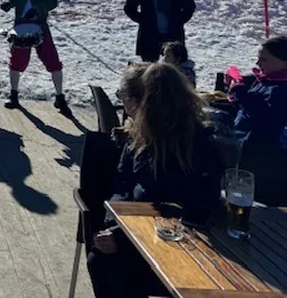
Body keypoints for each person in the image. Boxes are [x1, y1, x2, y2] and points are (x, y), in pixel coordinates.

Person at [87, 62, 223, 298]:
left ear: (145, 102)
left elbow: (179, 203)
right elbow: (122, 185)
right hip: (140, 234)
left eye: (124, 96)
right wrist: (113, 228)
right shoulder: (137, 138)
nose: (123, 102)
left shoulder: (197, 143)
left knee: (117, 270)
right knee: (101, 260)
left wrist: (121, 236)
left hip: (186, 241)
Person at [0, 0, 70, 116]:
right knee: (17, 60)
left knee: (51, 58)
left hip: (39, 24)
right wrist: (8, 4)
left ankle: (60, 96)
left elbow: (52, 1)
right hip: (21, 25)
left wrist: (39, 9)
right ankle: (14, 94)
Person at [228, 36, 287, 149]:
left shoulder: (281, 90)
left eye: (264, 60)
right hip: (240, 133)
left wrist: (241, 93)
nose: (258, 63)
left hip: (256, 147)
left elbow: (267, 120)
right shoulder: (266, 78)